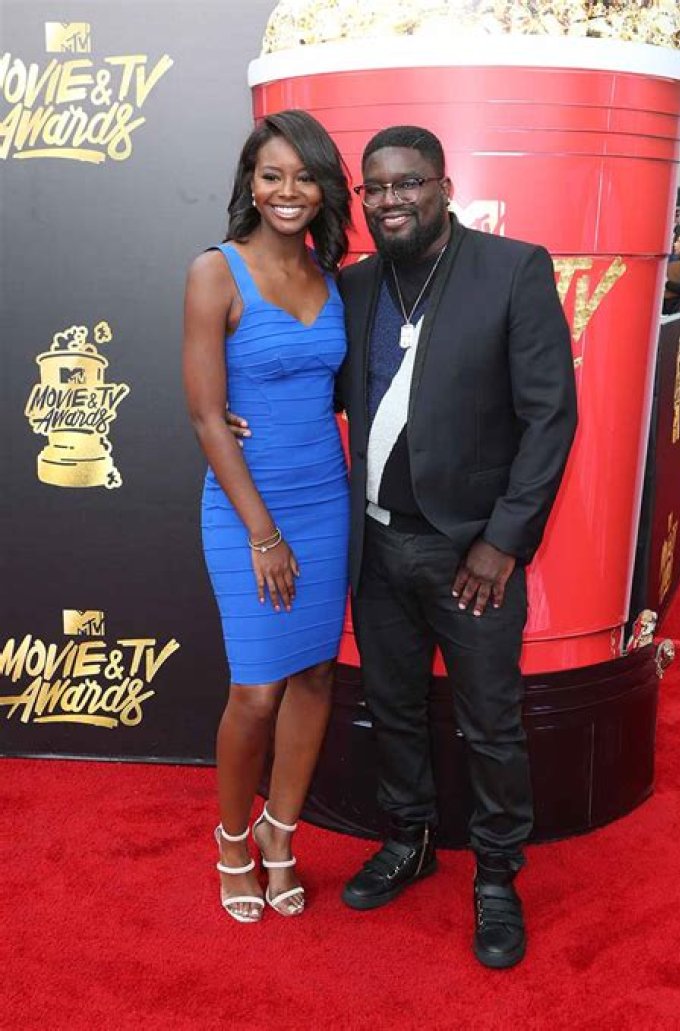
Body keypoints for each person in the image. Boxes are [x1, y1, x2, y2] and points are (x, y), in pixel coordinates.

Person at [229, 123, 577, 968]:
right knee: (393, 710)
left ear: (444, 187)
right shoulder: (352, 285)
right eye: (376, 187)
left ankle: (497, 876)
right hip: (376, 546)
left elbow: (550, 417)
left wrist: (503, 541)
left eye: (409, 183)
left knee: (490, 724)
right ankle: (409, 838)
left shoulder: (512, 269)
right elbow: (310, 378)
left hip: (473, 557)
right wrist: (241, 411)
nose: (391, 200)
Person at [183, 110, 351, 924]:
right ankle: (230, 841)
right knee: (255, 691)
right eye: (272, 175)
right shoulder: (215, 272)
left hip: (327, 498)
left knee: (317, 672)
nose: (289, 191)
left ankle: (280, 832)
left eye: (305, 176)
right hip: (249, 510)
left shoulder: (334, 275)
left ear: (325, 188)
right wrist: (263, 533)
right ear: (250, 183)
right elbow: (207, 416)